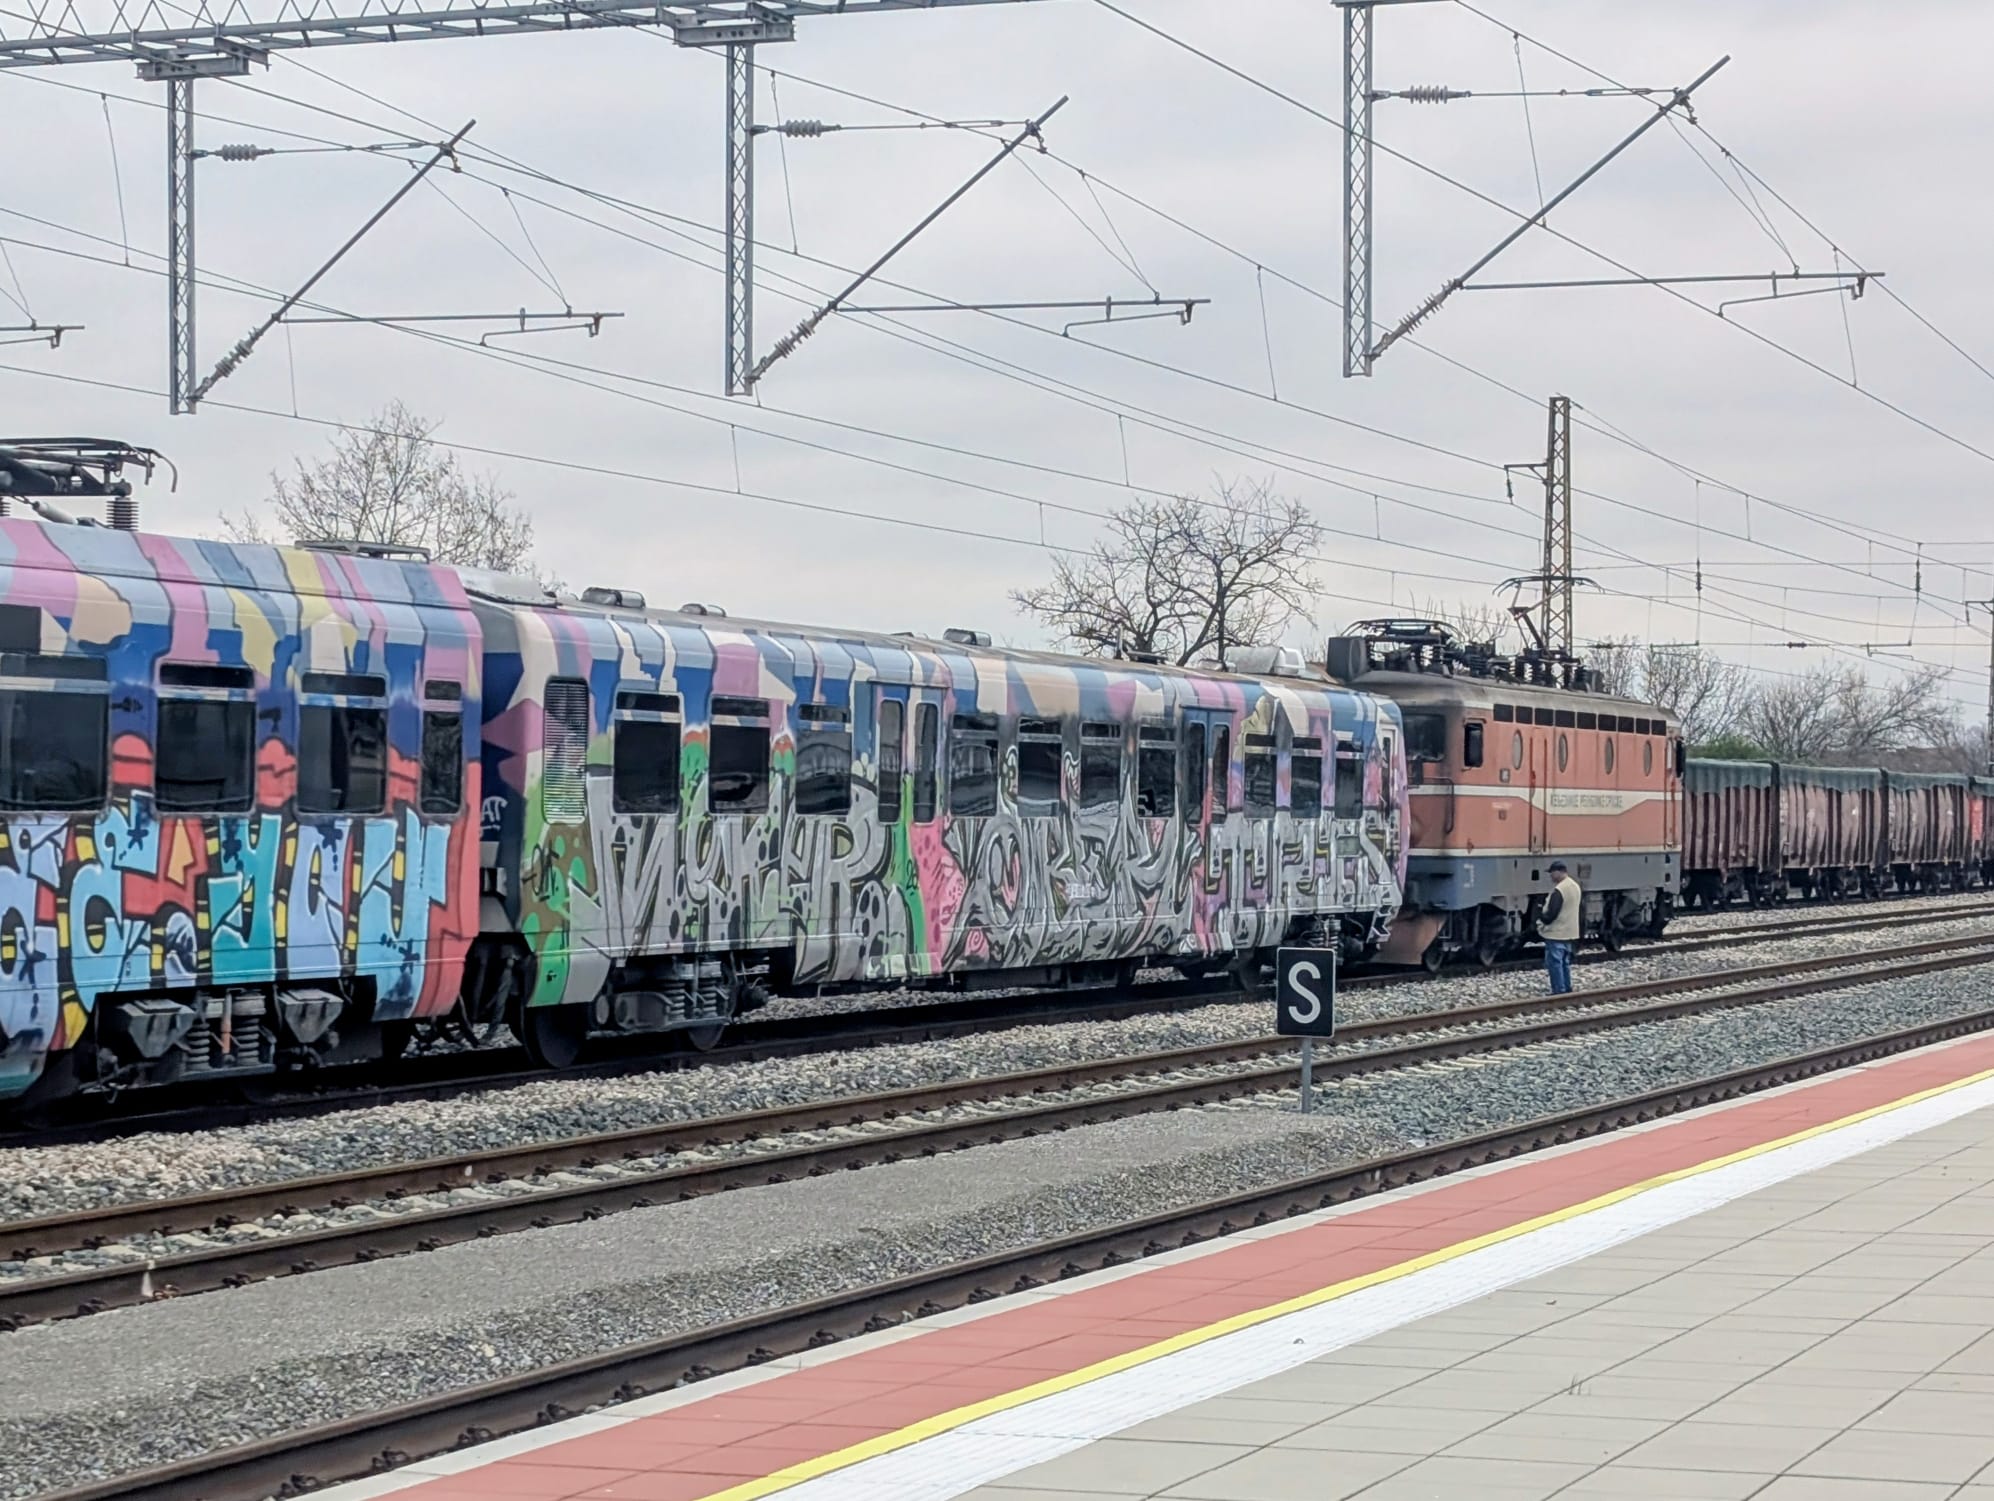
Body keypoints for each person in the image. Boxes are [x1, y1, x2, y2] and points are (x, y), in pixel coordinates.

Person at [1539, 860, 1582, 995]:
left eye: (1552, 873)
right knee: (1564, 962)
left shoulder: (1559, 890)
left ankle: (1558, 990)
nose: (1551, 876)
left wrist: (1541, 919)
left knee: (1555, 962)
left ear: (1558, 872)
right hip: (1569, 931)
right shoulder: (1575, 886)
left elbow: (1552, 913)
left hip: (1556, 932)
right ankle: (1566, 988)